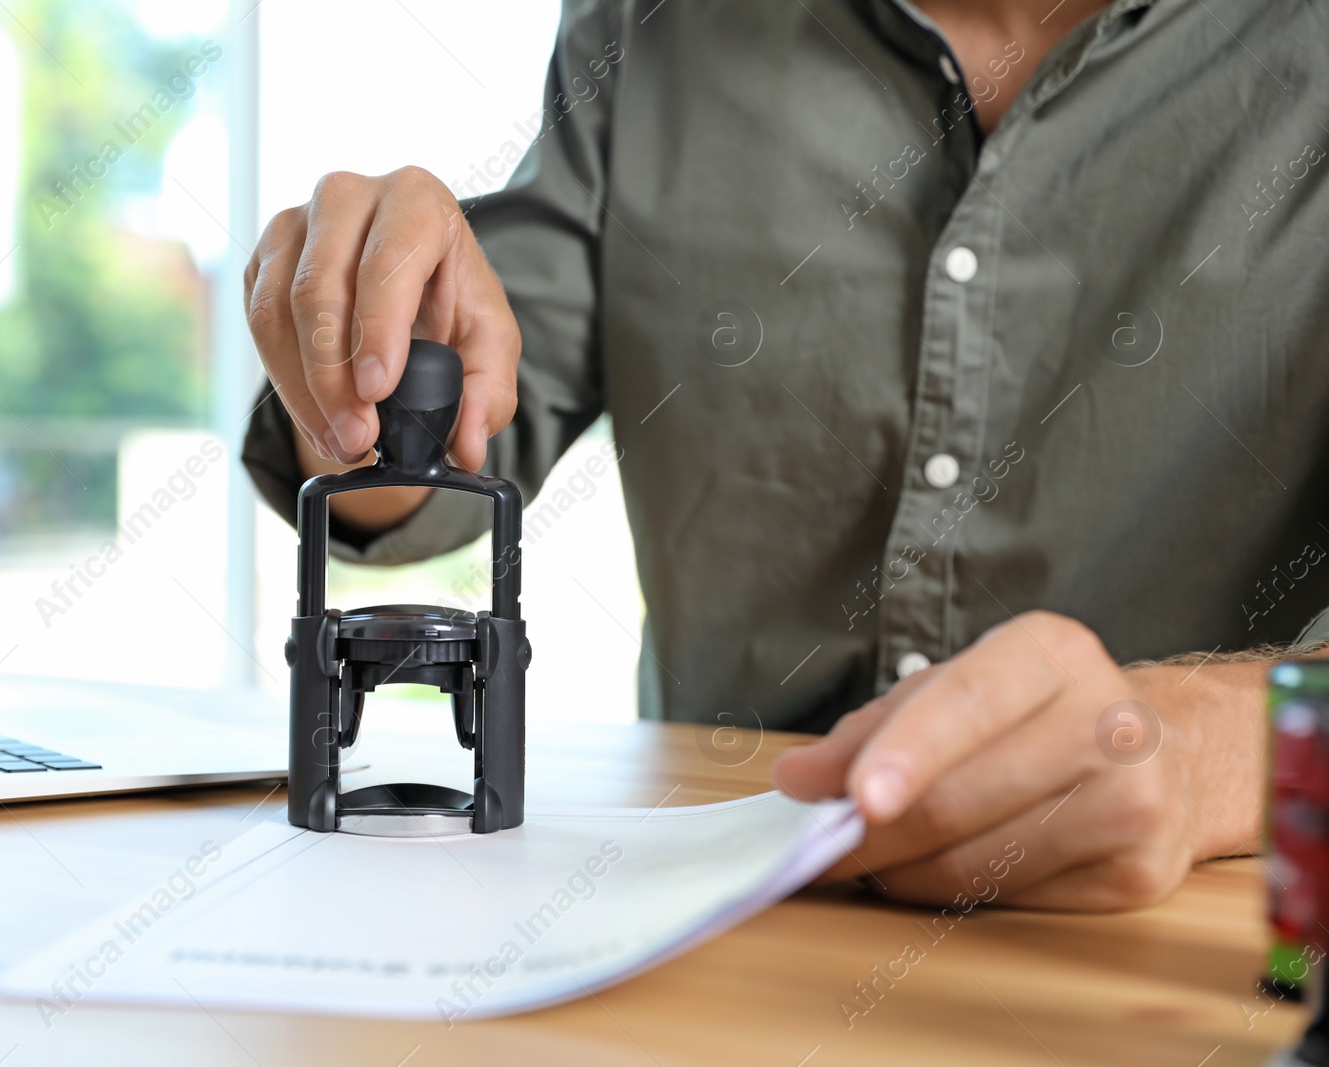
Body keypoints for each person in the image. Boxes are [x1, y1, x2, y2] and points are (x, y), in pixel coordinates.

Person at [240, 0, 1329, 910]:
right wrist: (358, 344)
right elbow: (431, 458)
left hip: (1186, 940)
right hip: (700, 925)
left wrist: (1211, 746)